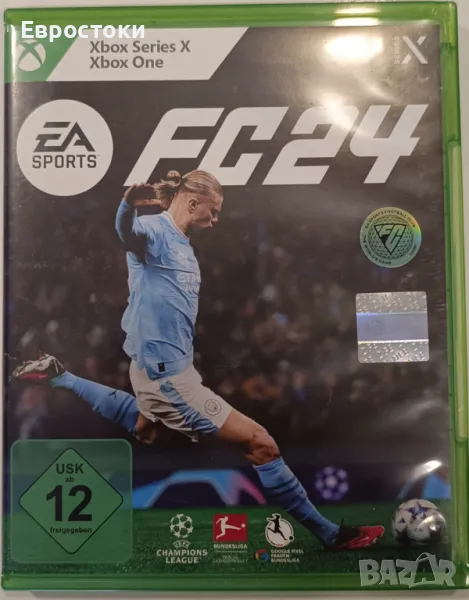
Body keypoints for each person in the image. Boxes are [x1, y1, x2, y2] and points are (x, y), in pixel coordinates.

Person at [14, 169, 384, 550]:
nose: (216, 219)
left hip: (162, 371)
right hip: (170, 380)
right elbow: (126, 233)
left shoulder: (184, 246)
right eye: (214, 210)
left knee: (146, 429)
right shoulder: (154, 231)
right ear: (193, 203)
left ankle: (62, 377)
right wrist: (127, 204)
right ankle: (330, 535)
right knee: (262, 444)